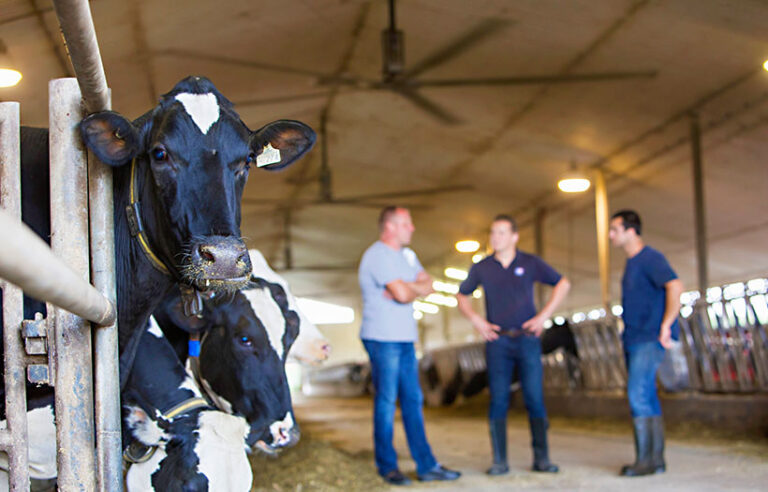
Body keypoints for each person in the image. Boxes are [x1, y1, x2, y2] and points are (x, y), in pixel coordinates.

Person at [456, 214, 570, 475]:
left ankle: (542, 459)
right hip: (498, 341)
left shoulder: (530, 263)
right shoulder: (482, 267)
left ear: (515, 236)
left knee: (534, 397)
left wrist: (544, 316)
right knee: (498, 398)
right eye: (493, 233)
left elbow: (563, 283)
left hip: (527, 339)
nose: (496, 238)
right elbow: (462, 295)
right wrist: (477, 320)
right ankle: (500, 461)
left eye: (502, 233)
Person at [358, 206, 461, 486]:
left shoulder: (408, 255)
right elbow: (404, 293)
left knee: (414, 400)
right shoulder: (377, 256)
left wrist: (407, 288)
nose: (412, 228)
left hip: (404, 338)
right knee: (387, 401)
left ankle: (427, 465)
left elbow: (428, 286)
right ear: (390, 227)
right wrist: (407, 288)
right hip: (382, 337)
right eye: (406, 223)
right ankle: (387, 466)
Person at [609, 209, 683, 476]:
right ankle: (655, 460)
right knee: (647, 396)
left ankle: (645, 461)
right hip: (634, 338)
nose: (610, 235)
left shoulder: (650, 258)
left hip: (649, 338)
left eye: (614, 229)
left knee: (637, 394)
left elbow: (675, 285)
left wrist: (666, 324)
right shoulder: (632, 263)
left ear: (631, 230)